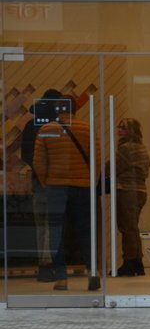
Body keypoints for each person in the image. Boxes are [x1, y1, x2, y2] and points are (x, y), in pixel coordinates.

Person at [32, 95, 102, 291]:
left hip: (56, 187)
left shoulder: (47, 130)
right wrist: (90, 182)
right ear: (75, 110)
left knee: (56, 232)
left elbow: (39, 162)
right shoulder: (87, 129)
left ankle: (61, 278)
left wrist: (48, 183)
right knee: (86, 231)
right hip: (83, 188)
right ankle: (92, 273)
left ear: (57, 110)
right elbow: (97, 160)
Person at [21, 89, 65, 282]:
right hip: (58, 183)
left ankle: (44, 264)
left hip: (38, 183)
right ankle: (55, 263)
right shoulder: (59, 125)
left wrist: (40, 173)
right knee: (56, 225)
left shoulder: (32, 125)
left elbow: (26, 155)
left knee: (42, 227)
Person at [109, 118, 150, 276]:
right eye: (119, 127)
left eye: (123, 128)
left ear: (131, 131)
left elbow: (111, 168)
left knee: (127, 228)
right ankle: (137, 264)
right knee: (133, 228)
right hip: (141, 191)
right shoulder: (142, 149)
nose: (119, 131)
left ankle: (129, 263)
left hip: (126, 191)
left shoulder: (125, 149)